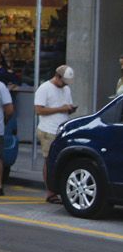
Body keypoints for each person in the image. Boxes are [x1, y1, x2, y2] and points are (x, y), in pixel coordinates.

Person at [34, 65, 77, 202]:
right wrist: (61, 109)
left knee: (59, 161)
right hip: (48, 129)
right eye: (63, 81)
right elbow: (39, 110)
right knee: (49, 161)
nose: (64, 85)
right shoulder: (44, 88)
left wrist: (69, 109)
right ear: (57, 76)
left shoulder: (66, 89)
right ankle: (50, 192)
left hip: (61, 129)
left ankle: (56, 190)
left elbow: (66, 106)